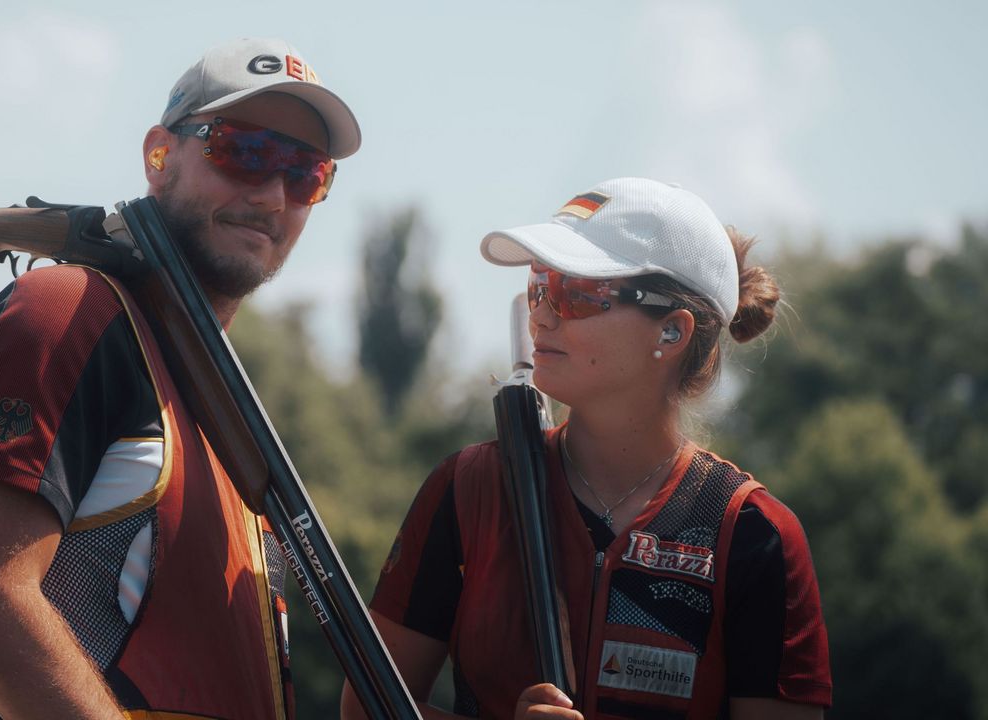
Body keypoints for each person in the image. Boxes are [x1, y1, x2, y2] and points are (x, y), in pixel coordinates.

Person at [0, 38, 360, 720]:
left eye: (307, 173)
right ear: (159, 155)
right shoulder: (69, 310)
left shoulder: (227, 405)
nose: (274, 195)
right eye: (244, 151)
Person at [343, 178, 832, 720]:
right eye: (539, 286)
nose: (542, 315)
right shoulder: (467, 487)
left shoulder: (756, 535)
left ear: (671, 332)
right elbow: (366, 707)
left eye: (577, 294)